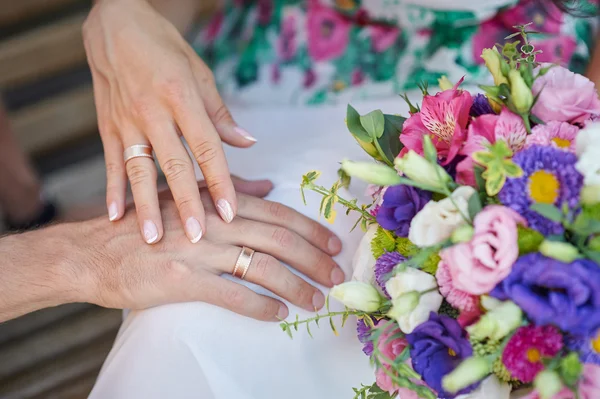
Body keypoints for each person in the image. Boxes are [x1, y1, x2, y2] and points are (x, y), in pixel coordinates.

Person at [81, 0, 599, 398]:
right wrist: (124, 14)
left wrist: (579, 145)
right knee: (202, 309)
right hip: (274, 82)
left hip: (514, 91)